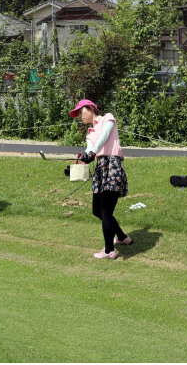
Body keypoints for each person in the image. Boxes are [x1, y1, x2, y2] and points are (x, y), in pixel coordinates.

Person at [71, 99, 130, 259]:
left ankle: (109, 250)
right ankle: (122, 237)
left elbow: (104, 137)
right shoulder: (90, 132)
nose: (79, 116)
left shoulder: (108, 118)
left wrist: (93, 151)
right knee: (97, 210)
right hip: (100, 168)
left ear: (91, 108)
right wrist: (86, 155)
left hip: (112, 165)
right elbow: (90, 148)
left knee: (105, 210)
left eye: (80, 111)